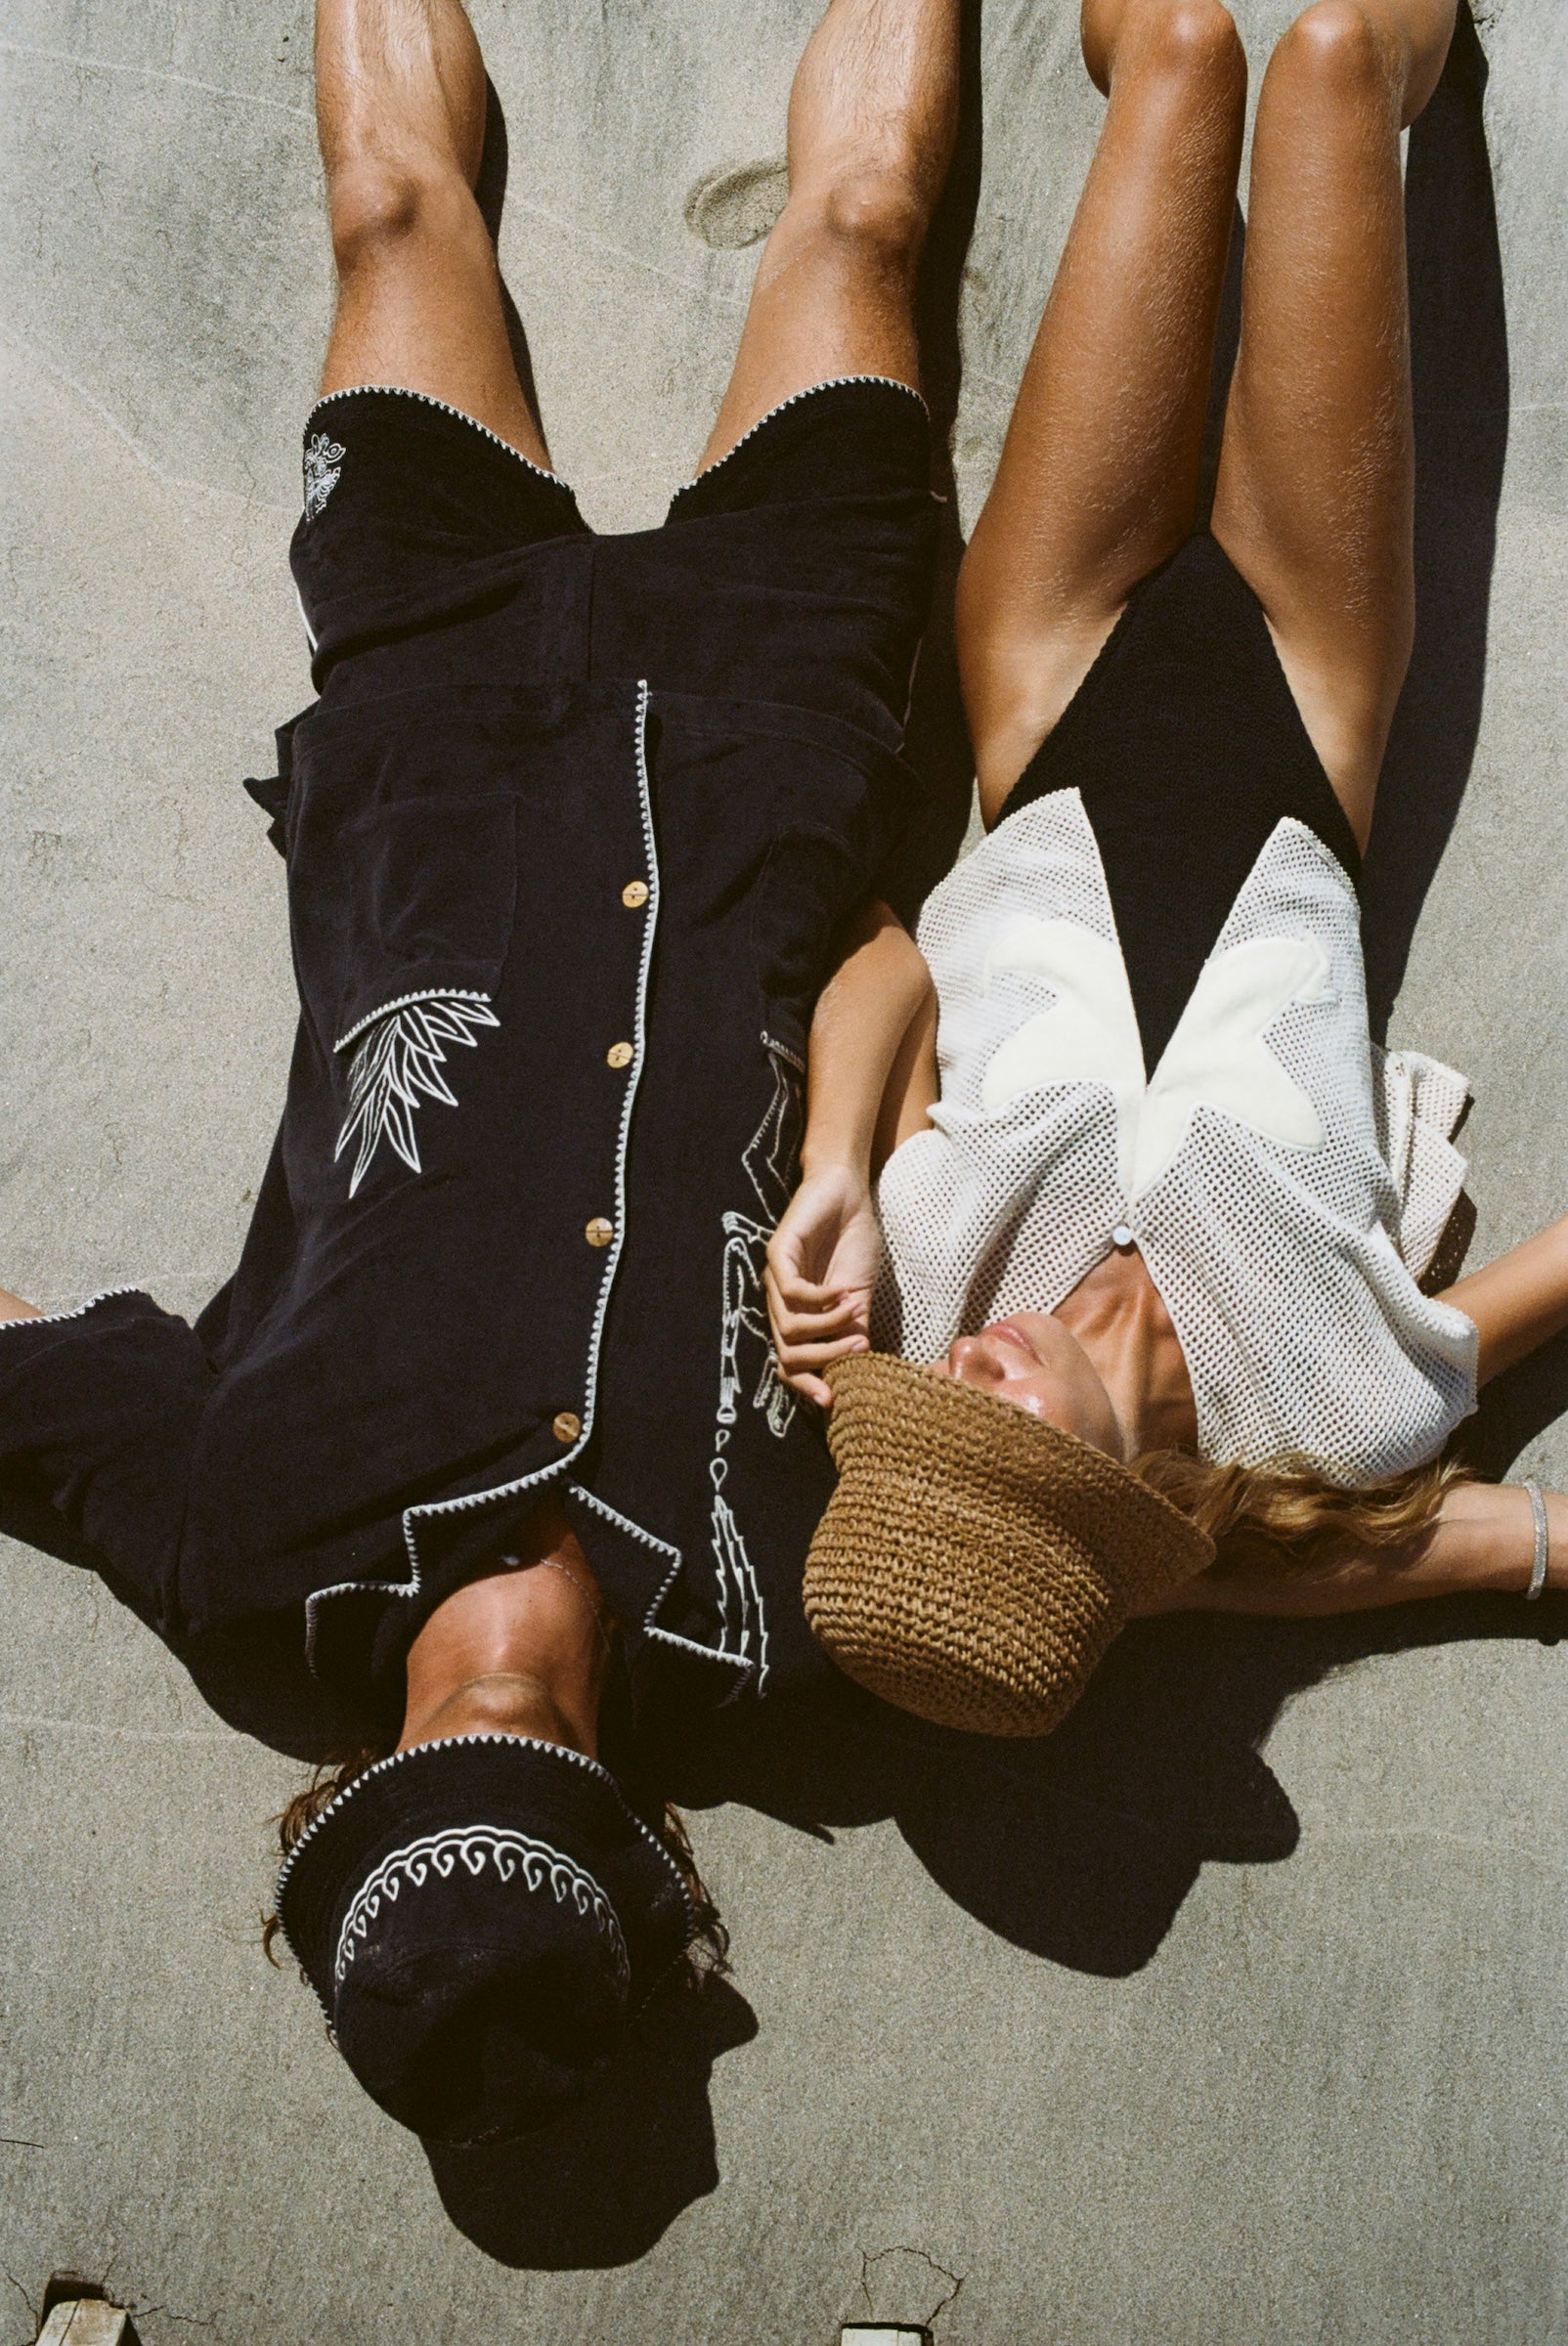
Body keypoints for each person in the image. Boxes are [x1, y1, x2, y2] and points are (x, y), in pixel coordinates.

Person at [0, 0, 962, 2140]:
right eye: (549, 1781)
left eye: (435, 1777)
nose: (498, 1715)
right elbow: (894, 970)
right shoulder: (779, 1615)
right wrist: (842, 1166)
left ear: (342, 1808)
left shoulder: (242, 1551)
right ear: (646, 1843)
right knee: (867, 219)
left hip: (431, 718)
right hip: (776, 723)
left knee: (388, 210)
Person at [765, 0, 1568, 1721]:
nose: (961, 1374)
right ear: (1113, 1505)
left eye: (931, 1415)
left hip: (1051, 685)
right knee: (1341, 61)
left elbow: (884, 958)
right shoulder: (1342, 1403)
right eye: (994, 1430)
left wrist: (834, 1161)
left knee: (1183, 49)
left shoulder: (912, 1296)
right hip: (1306, 701)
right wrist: (1517, 1547)